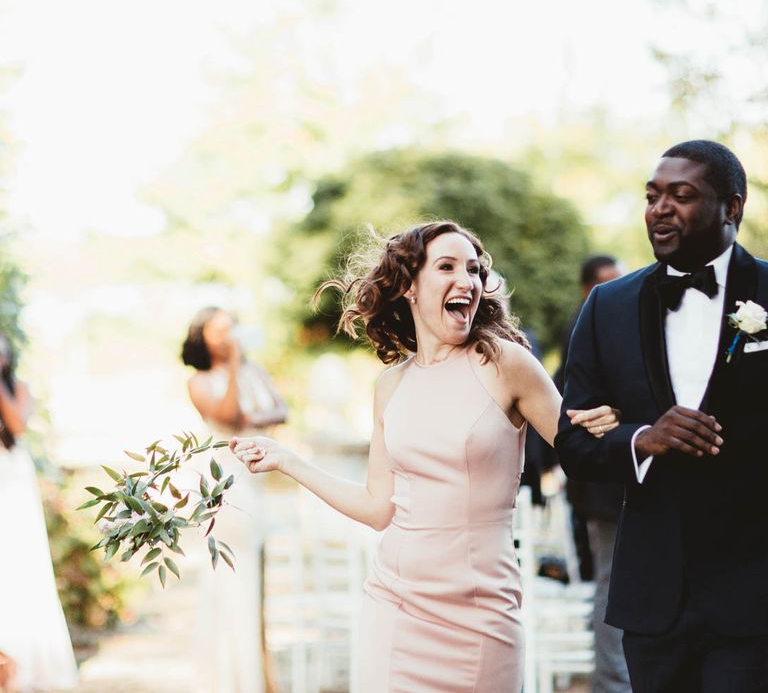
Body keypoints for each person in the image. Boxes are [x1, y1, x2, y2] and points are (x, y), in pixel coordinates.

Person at [231, 221, 617, 692]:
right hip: (394, 605)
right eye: (448, 266)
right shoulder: (390, 386)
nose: (467, 281)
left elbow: (584, 448)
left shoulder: (505, 363)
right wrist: (288, 460)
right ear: (411, 286)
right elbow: (378, 509)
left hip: (481, 613)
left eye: (474, 270)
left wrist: (623, 420)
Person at [556, 140, 768, 692]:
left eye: (681, 195)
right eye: (652, 196)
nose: (660, 209)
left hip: (755, 592)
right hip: (655, 596)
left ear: (732, 207)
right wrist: (643, 439)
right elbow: (572, 445)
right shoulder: (608, 307)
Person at [181, 307, 287, 693]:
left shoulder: (255, 372)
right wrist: (238, 375)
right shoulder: (199, 381)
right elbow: (227, 415)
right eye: (220, 330)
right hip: (225, 488)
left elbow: (282, 409)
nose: (229, 336)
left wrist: (253, 414)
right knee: (228, 578)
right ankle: (229, 678)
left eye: (232, 329)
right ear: (202, 338)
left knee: (253, 577)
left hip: (255, 487)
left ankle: (256, 673)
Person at [557, 255, 630, 693]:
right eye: (608, 283)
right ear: (589, 289)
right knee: (610, 585)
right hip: (601, 485)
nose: (618, 289)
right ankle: (612, 682)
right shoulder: (584, 327)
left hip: (623, 480)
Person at [0, 333, 78, 691]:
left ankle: (31, 662)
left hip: (13, 480)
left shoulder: (20, 388)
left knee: (22, 563)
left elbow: (17, 424)